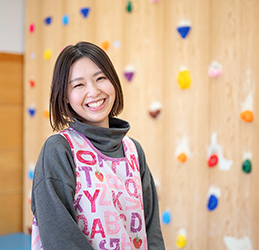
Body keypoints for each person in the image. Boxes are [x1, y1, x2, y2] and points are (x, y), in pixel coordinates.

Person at [31, 41, 165, 250]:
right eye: (78, 85)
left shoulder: (134, 150)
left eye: (100, 78)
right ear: (65, 97)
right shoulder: (59, 150)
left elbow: (152, 231)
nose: (93, 92)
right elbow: (60, 239)